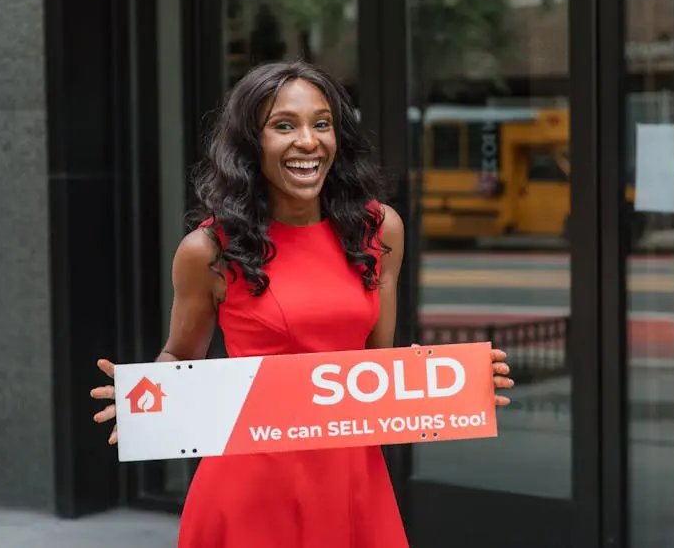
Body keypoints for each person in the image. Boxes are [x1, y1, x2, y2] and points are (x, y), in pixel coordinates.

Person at [90, 60, 514, 547]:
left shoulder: (379, 231)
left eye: (322, 123)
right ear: (251, 143)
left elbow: (376, 368)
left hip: (353, 478)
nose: (308, 142)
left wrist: (460, 387)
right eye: (283, 126)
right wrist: (143, 402)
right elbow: (181, 356)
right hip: (251, 486)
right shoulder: (207, 251)